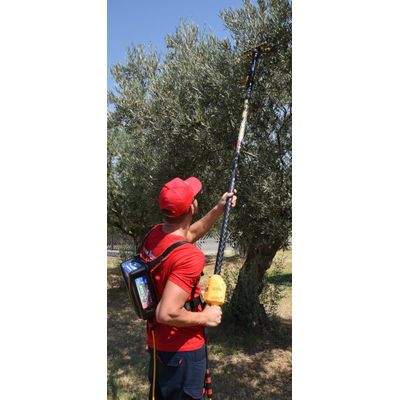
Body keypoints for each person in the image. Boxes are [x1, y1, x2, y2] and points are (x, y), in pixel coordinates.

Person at [139, 176, 237, 400]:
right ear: (191, 207)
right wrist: (206, 317)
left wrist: (218, 209)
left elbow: (188, 234)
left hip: (158, 344)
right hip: (183, 352)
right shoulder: (189, 256)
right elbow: (167, 313)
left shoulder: (155, 235)